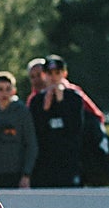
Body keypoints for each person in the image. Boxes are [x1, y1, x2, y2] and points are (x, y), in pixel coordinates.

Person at [29, 56, 86, 187]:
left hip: (69, 160)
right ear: (44, 75)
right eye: (49, 73)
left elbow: (75, 128)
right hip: (45, 162)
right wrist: (45, 109)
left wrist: (61, 103)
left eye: (57, 73)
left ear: (64, 74)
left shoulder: (74, 98)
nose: (53, 77)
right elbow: (36, 131)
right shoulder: (36, 101)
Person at [0, 71, 37, 189]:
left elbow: (31, 143)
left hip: (17, 172)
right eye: (0, 89)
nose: (4, 93)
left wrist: (26, 174)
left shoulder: (22, 112)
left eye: (8, 89)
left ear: (13, 91)